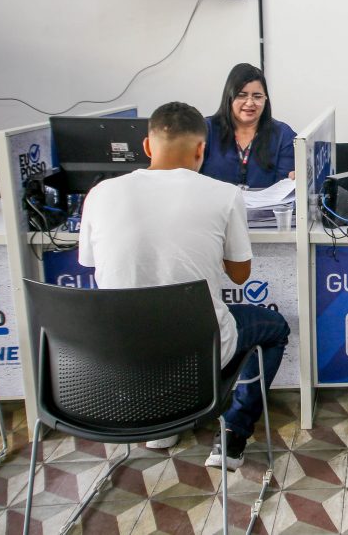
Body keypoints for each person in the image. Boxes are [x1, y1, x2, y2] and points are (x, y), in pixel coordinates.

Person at [78, 102, 290, 469]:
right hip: (199, 351)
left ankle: (162, 426)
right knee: (275, 329)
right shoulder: (223, 195)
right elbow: (240, 275)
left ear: (146, 146)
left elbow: (91, 264)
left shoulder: (99, 194)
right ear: (201, 149)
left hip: (121, 355)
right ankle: (234, 434)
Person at [201, 63, 296, 188]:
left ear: (265, 99)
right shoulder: (206, 130)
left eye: (257, 96)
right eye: (242, 95)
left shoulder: (283, 135)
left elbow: (283, 189)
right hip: (217, 207)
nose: (250, 103)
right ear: (229, 97)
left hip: (267, 207)